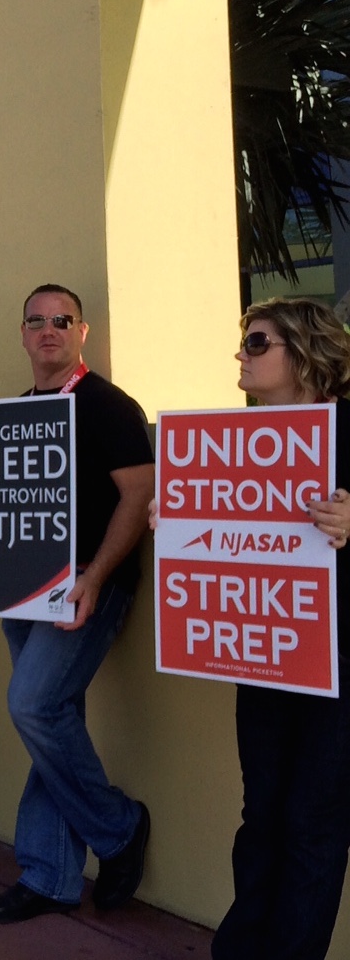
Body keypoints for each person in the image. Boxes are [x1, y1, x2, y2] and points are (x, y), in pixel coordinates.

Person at [0, 283, 154, 921]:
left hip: (88, 584)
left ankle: (118, 828)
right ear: (23, 334)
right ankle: (50, 874)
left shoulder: (109, 405)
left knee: (32, 706)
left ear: (81, 332)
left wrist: (96, 578)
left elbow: (140, 496)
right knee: (51, 718)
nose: (49, 330)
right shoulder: (17, 413)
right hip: (19, 587)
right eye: (37, 321)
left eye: (62, 320)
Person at [207, 298, 350, 960]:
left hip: (337, 666)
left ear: (306, 351)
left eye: (258, 343)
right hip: (265, 657)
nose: (242, 354)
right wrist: (177, 524)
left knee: (313, 821)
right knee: (261, 812)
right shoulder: (234, 442)